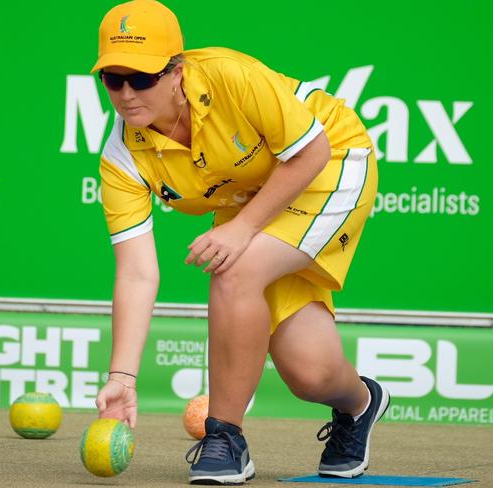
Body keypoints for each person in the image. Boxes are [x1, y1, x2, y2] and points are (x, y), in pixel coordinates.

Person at [92, 0, 390, 484]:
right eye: (113, 79)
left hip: (331, 158)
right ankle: (360, 403)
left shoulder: (230, 76)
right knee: (309, 374)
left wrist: (243, 227)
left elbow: (311, 150)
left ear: (176, 72)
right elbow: (137, 271)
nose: (126, 93)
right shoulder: (122, 156)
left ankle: (225, 437)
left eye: (142, 78)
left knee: (233, 267)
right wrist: (121, 378)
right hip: (254, 198)